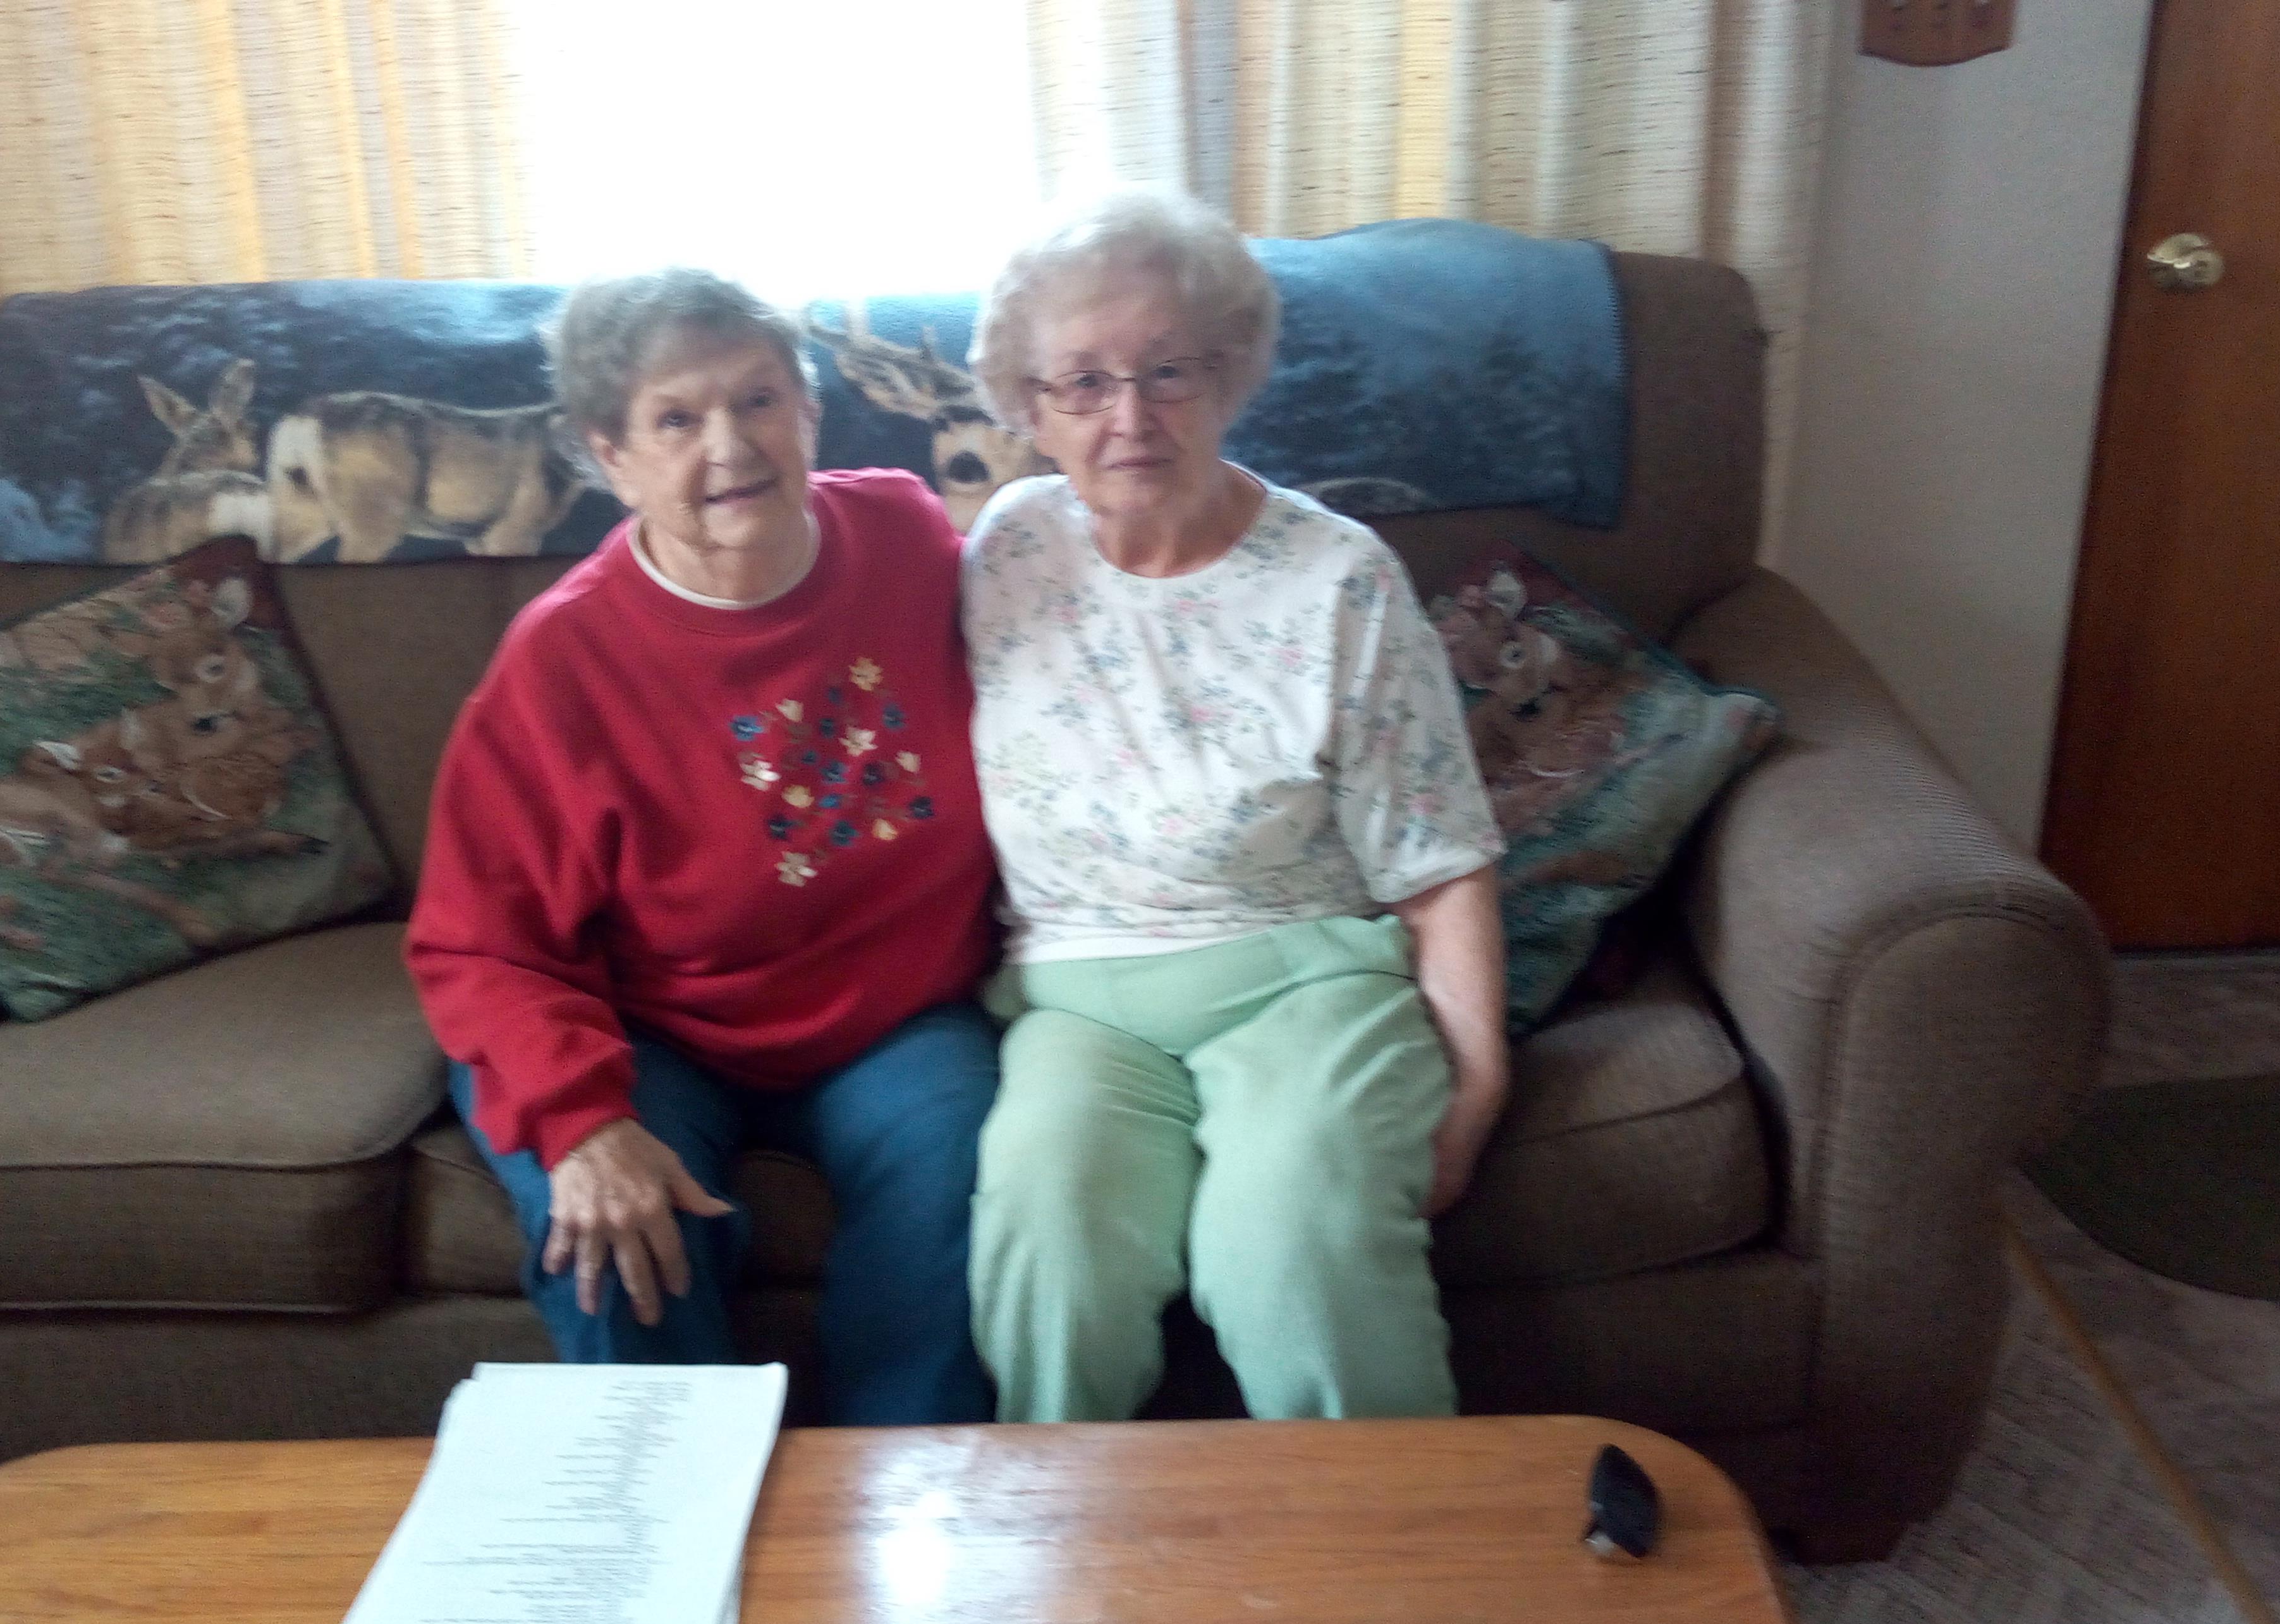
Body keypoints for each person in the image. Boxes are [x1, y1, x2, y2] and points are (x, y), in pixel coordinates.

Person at [408, 267, 999, 1425]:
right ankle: (673, 1536)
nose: (730, 444)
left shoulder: (908, 537)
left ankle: (901, 1507)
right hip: (652, 1023)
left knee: (971, 1187)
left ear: (811, 414)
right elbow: (479, 947)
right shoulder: (562, 660)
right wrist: (584, 1123)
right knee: (617, 1240)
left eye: (759, 400)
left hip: (896, 1017)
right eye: (678, 419)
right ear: (610, 456)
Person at [961, 189, 1510, 1423]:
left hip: (1304, 988)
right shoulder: (1006, 550)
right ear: (1029, 408)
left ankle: (1389, 1581)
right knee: (1045, 1246)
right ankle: (1065, 1568)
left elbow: (1438, 861)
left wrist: (1474, 1089)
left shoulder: (1338, 580)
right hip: (1078, 1010)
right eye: (1082, 384)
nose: (1129, 417)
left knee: (1288, 1250)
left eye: (1167, 371)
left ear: (1233, 372)